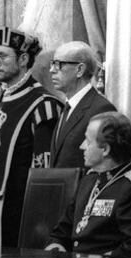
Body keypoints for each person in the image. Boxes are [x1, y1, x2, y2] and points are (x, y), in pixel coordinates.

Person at [0, 27, 62, 247]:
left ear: (24, 59)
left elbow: (43, 172)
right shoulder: (3, 98)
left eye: (2, 56)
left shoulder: (43, 104)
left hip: (18, 213)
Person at [45, 112, 131, 258]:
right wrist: (56, 245)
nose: (82, 146)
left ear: (105, 149)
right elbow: (62, 230)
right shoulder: (88, 180)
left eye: (88, 141)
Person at [49, 41, 116, 169]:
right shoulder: (68, 107)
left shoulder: (101, 109)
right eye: (52, 64)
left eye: (58, 64)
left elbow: (103, 164)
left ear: (79, 70)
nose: (52, 70)